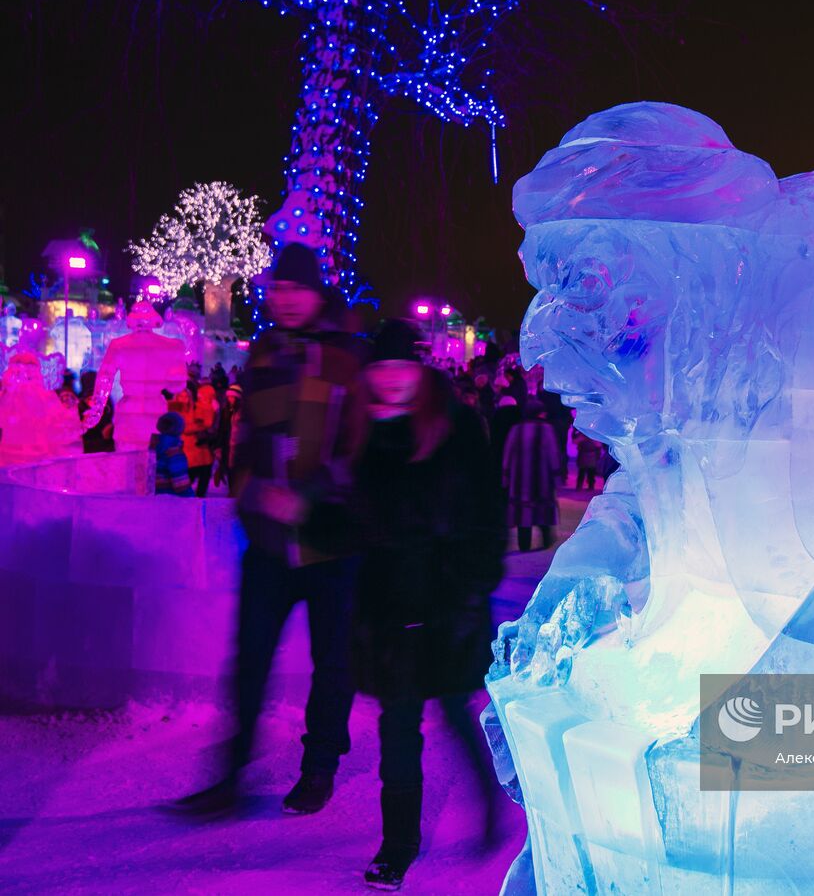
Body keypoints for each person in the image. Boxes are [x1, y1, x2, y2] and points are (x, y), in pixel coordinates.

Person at [171, 242, 365, 817]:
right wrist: (255, 494)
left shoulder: (348, 358)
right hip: (270, 543)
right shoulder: (263, 354)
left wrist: (307, 498)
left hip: (333, 541)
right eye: (278, 289)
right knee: (250, 656)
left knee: (333, 662)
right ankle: (230, 777)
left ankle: (319, 767)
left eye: (296, 289)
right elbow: (248, 439)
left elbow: (359, 446)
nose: (285, 299)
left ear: (317, 293)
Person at [352, 320, 507, 889]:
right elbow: (351, 519)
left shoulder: (456, 425)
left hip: (448, 603)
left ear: (419, 370)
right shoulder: (362, 433)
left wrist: (472, 588)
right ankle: (398, 844)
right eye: (382, 368)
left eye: (402, 367)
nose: (392, 380)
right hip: (388, 607)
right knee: (398, 725)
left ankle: (490, 803)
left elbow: (489, 510)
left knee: (451, 712)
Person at [502, 399, 560, 551]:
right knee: (543, 512)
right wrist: (556, 475)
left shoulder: (517, 429)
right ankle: (546, 541)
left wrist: (506, 474)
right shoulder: (546, 429)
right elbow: (553, 453)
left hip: (520, 479)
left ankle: (524, 545)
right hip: (542, 479)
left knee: (523, 515)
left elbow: (508, 453)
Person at [152, 411, 193, 496]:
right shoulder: (174, 452)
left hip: (155, 498)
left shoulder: (153, 448)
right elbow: (181, 484)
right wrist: (191, 499)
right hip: (171, 500)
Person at [571, 423, 603, 490]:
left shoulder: (582, 435)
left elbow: (575, 441)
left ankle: (582, 486)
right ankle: (588, 486)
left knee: (584, 472)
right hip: (589, 455)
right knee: (588, 472)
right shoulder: (593, 435)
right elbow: (599, 445)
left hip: (585, 455)